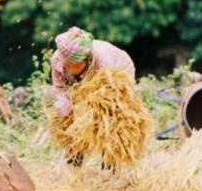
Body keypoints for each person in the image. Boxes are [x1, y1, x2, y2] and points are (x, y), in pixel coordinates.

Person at [48, 26, 137, 165]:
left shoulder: (102, 62)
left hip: (117, 71)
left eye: (74, 65)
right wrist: (64, 102)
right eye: (67, 65)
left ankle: (110, 161)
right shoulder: (58, 60)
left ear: (86, 59)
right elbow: (60, 87)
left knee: (108, 118)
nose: (69, 68)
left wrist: (86, 105)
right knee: (68, 116)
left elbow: (106, 93)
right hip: (82, 82)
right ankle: (75, 156)